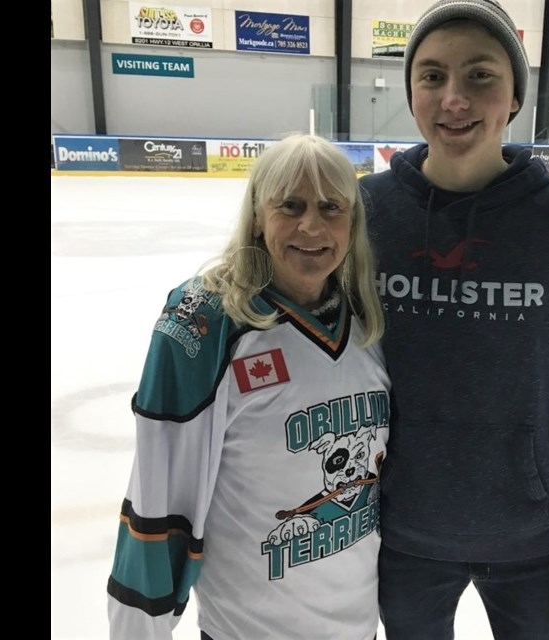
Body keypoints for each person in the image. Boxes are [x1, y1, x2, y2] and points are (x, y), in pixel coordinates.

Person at [360, 1, 549, 639]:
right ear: (411, 92)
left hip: (531, 536)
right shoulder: (362, 212)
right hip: (399, 532)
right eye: (432, 76)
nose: (454, 98)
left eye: (480, 76)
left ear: (515, 95)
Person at [107, 133, 390, 640]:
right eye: (290, 205)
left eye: (331, 207)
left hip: (358, 628)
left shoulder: (367, 321)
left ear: (353, 222)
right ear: (258, 215)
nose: (311, 225)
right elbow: (157, 495)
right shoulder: (207, 324)